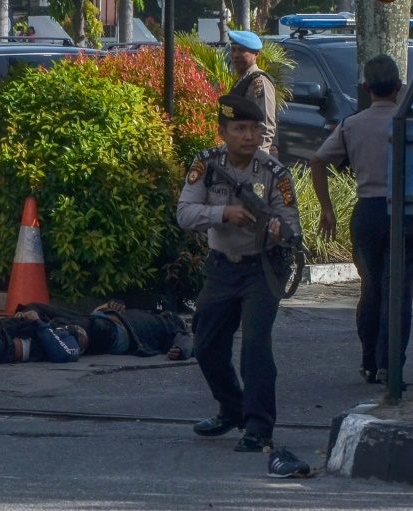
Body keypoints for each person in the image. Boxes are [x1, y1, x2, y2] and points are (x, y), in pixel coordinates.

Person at [176, 94, 302, 452]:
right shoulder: (206, 164)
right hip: (221, 267)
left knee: (255, 347)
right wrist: (223, 214)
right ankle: (232, 408)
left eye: (255, 129)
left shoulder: (275, 173)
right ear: (223, 131)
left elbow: (290, 225)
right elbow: (184, 213)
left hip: (263, 268)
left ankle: (259, 427)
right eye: (240, 129)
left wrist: (278, 230)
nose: (249, 136)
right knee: (206, 345)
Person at [309, 54, 413, 386]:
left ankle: (369, 362)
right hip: (406, 212)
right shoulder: (410, 124)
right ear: (399, 88)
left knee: (371, 289)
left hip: (368, 213)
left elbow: (318, 162)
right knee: (397, 292)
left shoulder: (351, 125)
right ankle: (391, 365)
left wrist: (326, 209)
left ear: (365, 88)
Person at [17, 300, 193, 361]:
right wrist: (111, 305)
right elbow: (100, 312)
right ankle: (22, 321)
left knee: (74, 329)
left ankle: (42, 330)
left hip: (117, 334)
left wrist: (180, 351)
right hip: (99, 319)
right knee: (38, 307)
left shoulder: (170, 328)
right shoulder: (150, 314)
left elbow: (187, 341)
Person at [227, 30, 278, 158]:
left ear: (256, 54)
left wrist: (258, 159)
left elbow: (266, 125)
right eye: (233, 50)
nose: (235, 55)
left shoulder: (259, 81)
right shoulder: (243, 80)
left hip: (254, 156)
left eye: (241, 50)